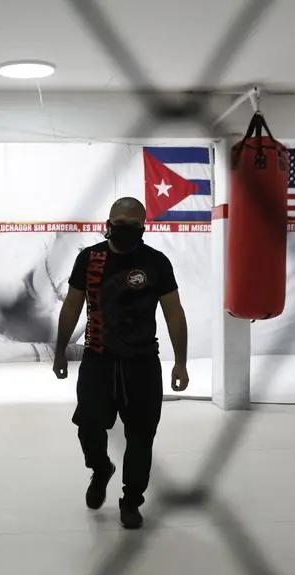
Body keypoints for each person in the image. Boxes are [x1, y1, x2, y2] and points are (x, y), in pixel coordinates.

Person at [52, 197, 189, 529]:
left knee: (141, 436)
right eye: (120, 223)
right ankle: (101, 469)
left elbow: (174, 312)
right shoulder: (90, 258)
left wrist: (180, 363)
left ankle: (131, 500)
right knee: (89, 428)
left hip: (142, 363)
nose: (126, 229)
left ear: (144, 227)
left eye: (134, 224)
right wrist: (59, 351)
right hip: (98, 360)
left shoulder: (156, 262)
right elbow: (71, 307)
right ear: (108, 223)